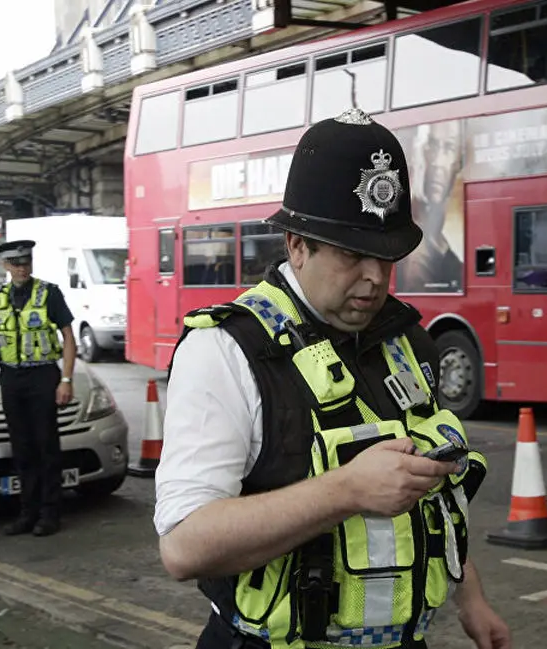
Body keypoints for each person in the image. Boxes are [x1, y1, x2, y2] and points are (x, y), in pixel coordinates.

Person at [154, 108, 510, 649]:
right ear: (297, 245)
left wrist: (472, 599)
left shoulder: (406, 342)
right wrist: (345, 490)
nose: (374, 279)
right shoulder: (226, 351)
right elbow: (184, 548)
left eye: (388, 258)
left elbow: (434, 499)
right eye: (352, 255)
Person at [0, 239, 77, 537]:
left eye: (26, 263)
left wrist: (66, 379)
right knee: (21, 448)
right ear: (6, 266)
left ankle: (50, 513)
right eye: (15, 264)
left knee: (46, 445)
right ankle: (27, 513)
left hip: (42, 375)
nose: (21, 268)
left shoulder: (49, 294)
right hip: (11, 378)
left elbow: (68, 337)